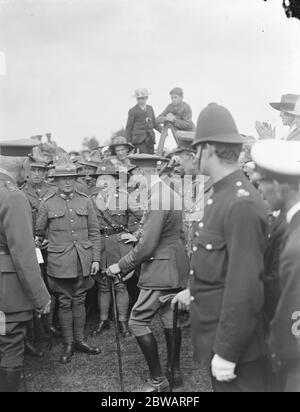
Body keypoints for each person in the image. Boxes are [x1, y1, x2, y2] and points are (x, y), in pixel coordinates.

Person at [172, 103, 268, 392]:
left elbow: (245, 287)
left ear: (209, 149)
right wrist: (195, 290)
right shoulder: (222, 195)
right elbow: (223, 267)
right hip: (220, 335)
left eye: (196, 148)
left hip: (239, 349)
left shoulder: (239, 203)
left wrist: (227, 351)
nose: (193, 155)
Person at [107, 154, 190, 392]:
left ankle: (158, 380)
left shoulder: (158, 199)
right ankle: (174, 373)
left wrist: (120, 265)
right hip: (174, 264)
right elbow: (177, 234)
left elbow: (147, 246)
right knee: (168, 315)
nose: (131, 182)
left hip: (160, 267)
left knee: (137, 321)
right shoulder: (169, 193)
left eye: (132, 176)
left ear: (142, 174)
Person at [35, 156, 101, 364]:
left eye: (71, 178)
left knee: (79, 300)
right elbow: (39, 232)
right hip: (60, 263)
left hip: (83, 259)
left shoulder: (85, 200)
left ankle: (80, 340)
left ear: (76, 179)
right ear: (55, 180)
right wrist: (43, 242)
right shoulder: (47, 204)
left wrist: (96, 259)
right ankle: (69, 343)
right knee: (64, 302)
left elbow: (94, 232)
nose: (67, 182)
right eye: (63, 178)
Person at [0, 138, 51, 392]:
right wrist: (41, 298)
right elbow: (23, 254)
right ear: (22, 163)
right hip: (5, 290)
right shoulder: (13, 196)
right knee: (9, 343)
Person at [252, 139, 300, 392]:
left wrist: (278, 347)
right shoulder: (291, 225)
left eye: (261, 182)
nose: (259, 190)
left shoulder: (295, 242)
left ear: (279, 186)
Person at [22, 156, 58, 355]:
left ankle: (51, 325)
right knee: (36, 288)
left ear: (46, 173)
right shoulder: (19, 194)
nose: (36, 174)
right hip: (31, 250)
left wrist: (50, 238)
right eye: (33, 170)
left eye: (40, 171)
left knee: (55, 288)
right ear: (27, 172)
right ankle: (38, 333)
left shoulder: (54, 191)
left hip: (55, 247)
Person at [126, 89, 162, 154]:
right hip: (139, 139)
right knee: (143, 157)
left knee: (151, 157)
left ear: (146, 98)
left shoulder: (150, 108)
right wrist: (128, 141)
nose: (140, 100)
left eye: (142, 98)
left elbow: (154, 122)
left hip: (150, 138)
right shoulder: (133, 110)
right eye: (138, 99)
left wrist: (162, 130)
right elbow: (129, 127)